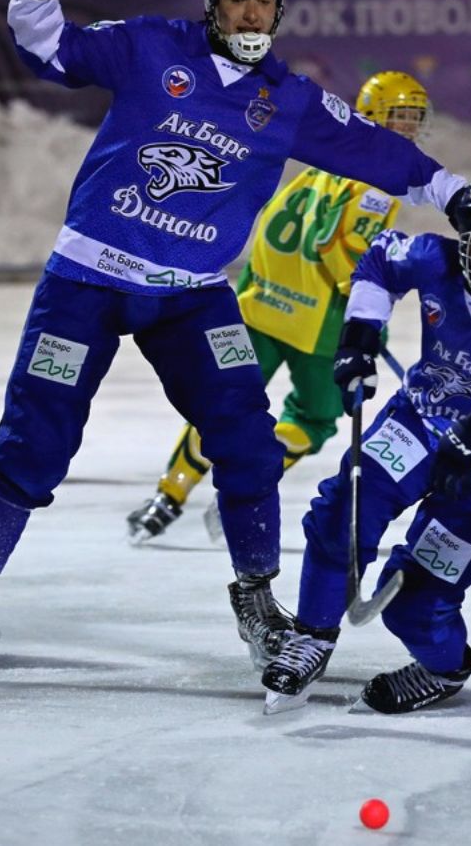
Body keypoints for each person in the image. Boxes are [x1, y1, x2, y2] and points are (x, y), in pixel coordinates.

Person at [0, 0, 471, 684]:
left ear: (277, 10)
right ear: (212, 5)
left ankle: (256, 600)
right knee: (35, 443)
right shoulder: (152, 46)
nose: (250, 15)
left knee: (248, 439)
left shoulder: (288, 99)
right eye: (236, 0)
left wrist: (461, 193)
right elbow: (53, 49)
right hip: (86, 282)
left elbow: (383, 154)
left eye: (263, 1)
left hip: (192, 298)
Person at [259, 175, 471, 714]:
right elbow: (378, 261)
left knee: (417, 602)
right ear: (463, 244)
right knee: (344, 513)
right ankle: (312, 636)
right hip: (422, 418)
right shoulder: (432, 258)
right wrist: (359, 336)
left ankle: (445, 669)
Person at [126, 70, 430, 544]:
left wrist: (250, 292)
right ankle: (238, 497)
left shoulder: (325, 164)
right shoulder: (376, 182)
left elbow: (272, 227)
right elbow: (337, 247)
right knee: (312, 419)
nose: (408, 128)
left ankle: (169, 494)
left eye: (415, 118)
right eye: (399, 117)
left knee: (223, 406)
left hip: (259, 306)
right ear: (373, 116)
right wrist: (372, 309)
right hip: (319, 326)